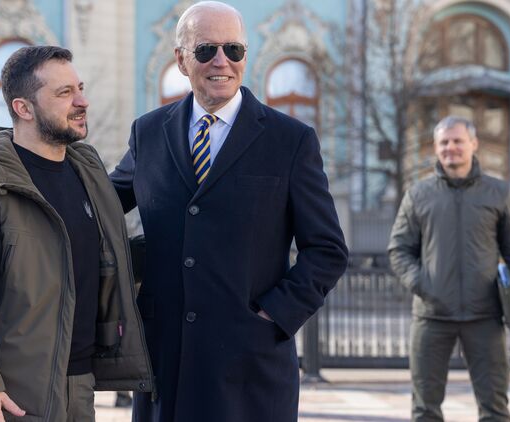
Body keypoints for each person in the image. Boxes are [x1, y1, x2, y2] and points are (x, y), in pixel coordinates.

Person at [110, 2, 348, 421]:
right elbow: (101, 205)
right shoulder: (148, 133)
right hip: (166, 364)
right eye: (206, 50)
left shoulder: (290, 141)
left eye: (233, 49)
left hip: (249, 368)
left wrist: (274, 314)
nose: (221, 61)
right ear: (181, 59)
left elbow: (327, 250)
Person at [0, 46, 153, 422]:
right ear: (23, 108)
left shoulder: (87, 175)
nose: (82, 101)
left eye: (80, 88)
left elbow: (97, 261)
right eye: (64, 93)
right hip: (11, 398)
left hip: (80, 389)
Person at [388, 116, 510, 421]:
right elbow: (399, 249)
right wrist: (423, 284)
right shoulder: (418, 194)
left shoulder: (498, 192)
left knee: (495, 409)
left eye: (458, 141)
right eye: (444, 142)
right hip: (432, 316)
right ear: (436, 147)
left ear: (473, 144)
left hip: (485, 316)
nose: (451, 147)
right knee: (425, 410)